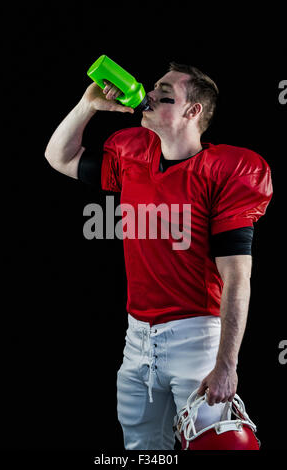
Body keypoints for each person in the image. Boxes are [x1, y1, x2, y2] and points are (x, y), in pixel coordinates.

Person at [44, 62, 273, 450]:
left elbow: (237, 277)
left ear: (192, 111)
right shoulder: (135, 155)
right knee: (142, 449)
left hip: (196, 337)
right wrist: (88, 105)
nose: (148, 96)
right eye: (152, 88)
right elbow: (59, 157)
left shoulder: (227, 170)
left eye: (165, 94)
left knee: (216, 446)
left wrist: (227, 365)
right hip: (136, 339)